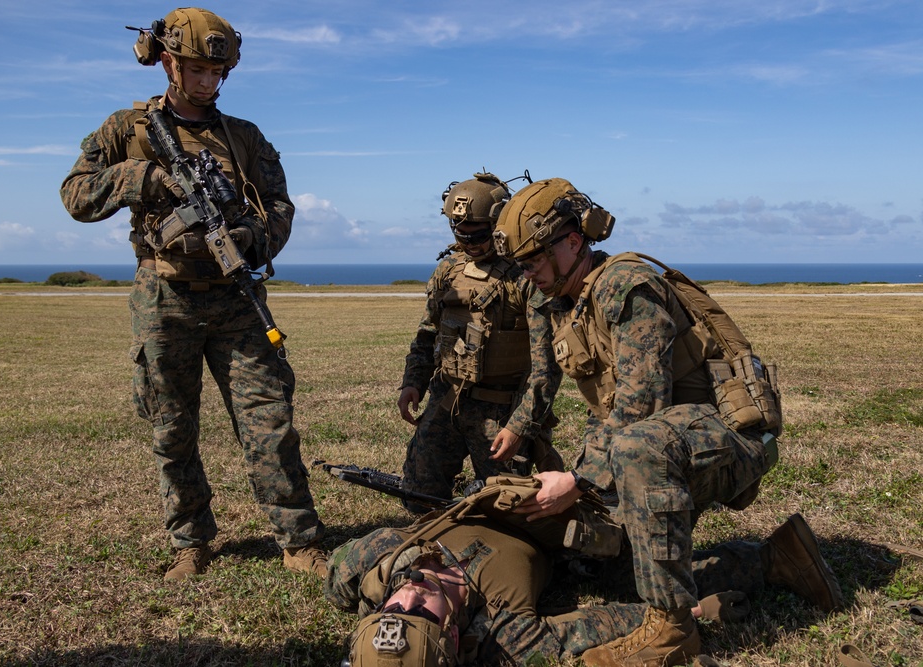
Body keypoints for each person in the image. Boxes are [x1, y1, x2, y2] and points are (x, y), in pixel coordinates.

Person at [490, 178, 842, 666]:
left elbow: (642, 403)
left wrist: (577, 480)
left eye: (533, 261)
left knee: (637, 449)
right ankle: (776, 560)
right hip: (661, 440)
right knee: (617, 575)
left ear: (573, 243)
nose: (528, 274)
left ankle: (673, 634)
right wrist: (517, 428)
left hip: (724, 437)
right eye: (521, 264)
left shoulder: (627, 287)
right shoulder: (547, 299)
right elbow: (543, 376)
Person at [59, 8, 326, 581]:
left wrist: (254, 236)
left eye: (218, 71)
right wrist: (146, 179)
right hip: (164, 299)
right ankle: (192, 542)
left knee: (268, 421)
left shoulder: (244, 137)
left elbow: (280, 206)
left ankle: (299, 539)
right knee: (171, 426)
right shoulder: (126, 129)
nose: (208, 81)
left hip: (236, 297)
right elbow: (76, 194)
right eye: (198, 69)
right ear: (169, 62)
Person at [325, 476, 842, 666]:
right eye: (421, 613)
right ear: (453, 634)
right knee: (638, 574)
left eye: (396, 607)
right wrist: (693, 611)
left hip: (524, 484)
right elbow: (608, 622)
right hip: (572, 538)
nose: (412, 595)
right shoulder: (506, 634)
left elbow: (335, 571)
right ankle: (775, 557)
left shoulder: (374, 566)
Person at [397, 172, 564, 513]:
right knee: (419, 493)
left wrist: (520, 426)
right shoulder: (447, 271)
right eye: (461, 234)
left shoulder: (524, 276)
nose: (470, 244)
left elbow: (546, 365)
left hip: (500, 413)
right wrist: (412, 383)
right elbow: (427, 334)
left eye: (479, 235)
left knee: (506, 509)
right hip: (446, 401)